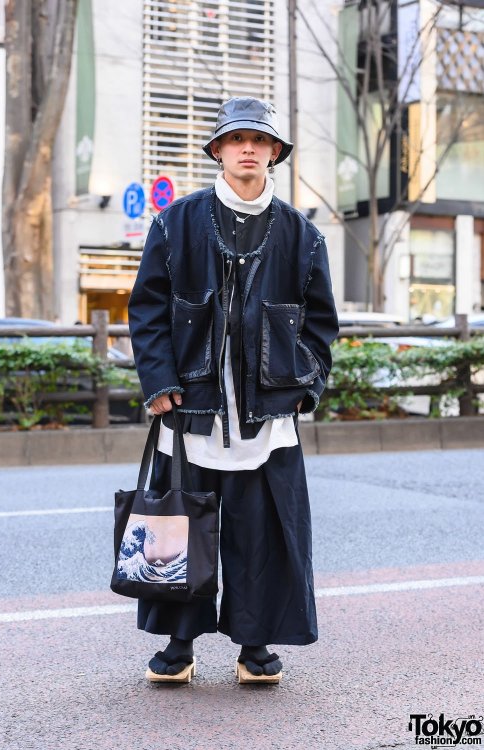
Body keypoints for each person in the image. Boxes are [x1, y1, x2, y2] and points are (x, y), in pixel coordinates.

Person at [128, 96, 338, 683]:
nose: (248, 148)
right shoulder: (176, 222)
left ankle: (254, 646)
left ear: (274, 153)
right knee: (182, 527)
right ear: (218, 150)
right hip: (191, 405)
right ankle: (178, 645)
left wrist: (304, 385)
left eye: (260, 140)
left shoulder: (302, 234)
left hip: (267, 413)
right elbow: (146, 308)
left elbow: (321, 325)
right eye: (237, 138)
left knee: (261, 531)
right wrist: (160, 381)